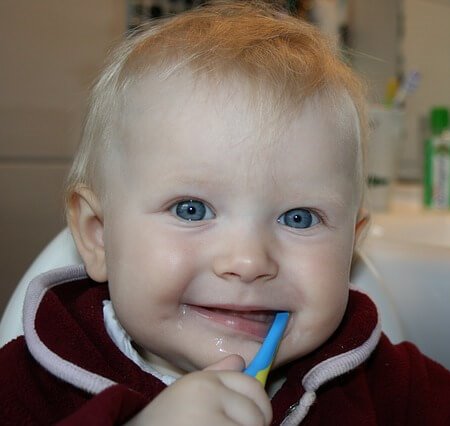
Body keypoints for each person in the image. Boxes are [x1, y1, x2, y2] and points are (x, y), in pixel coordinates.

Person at [1, 1, 449, 425]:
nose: (249, 263)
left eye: (299, 218)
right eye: (191, 209)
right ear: (98, 235)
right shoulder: (26, 388)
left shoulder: (393, 386)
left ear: (352, 241)